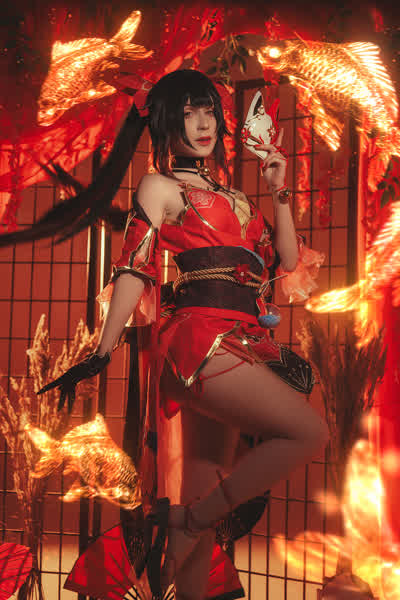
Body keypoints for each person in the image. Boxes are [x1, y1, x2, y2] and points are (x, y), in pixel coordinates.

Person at [35, 69, 328, 600]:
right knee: (309, 434)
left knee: (201, 502)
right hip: (199, 344)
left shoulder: (237, 197)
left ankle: (191, 529)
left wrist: (278, 187)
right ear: (167, 124)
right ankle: (188, 521)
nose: (202, 123)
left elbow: (285, 261)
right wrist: (102, 350)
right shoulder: (160, 185)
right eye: (188, 113)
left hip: (239, 341)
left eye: (208, 111)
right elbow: (134, 266)